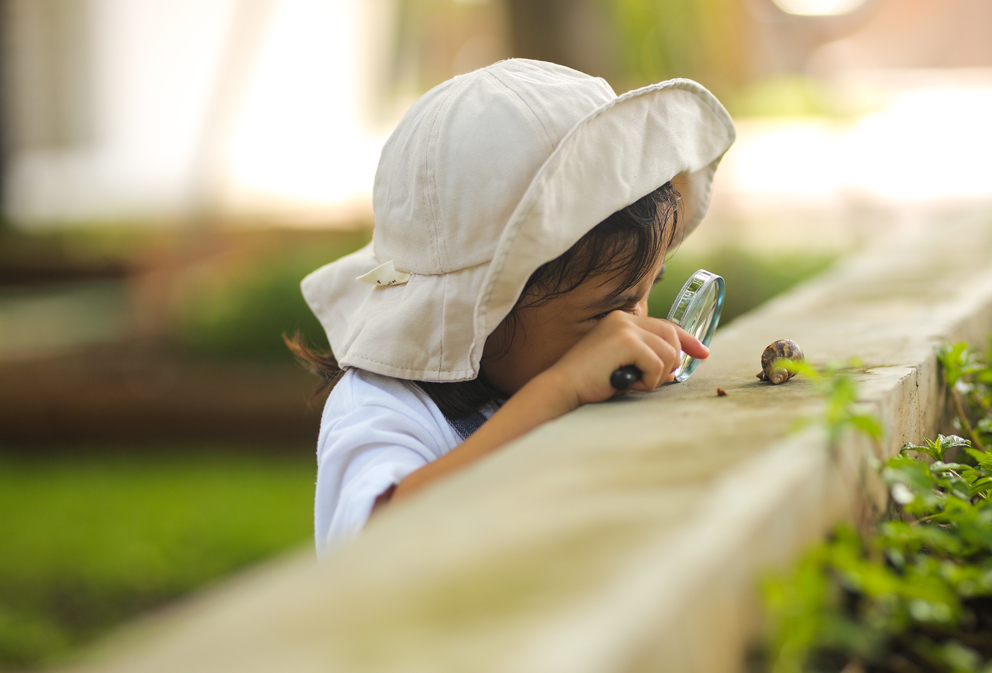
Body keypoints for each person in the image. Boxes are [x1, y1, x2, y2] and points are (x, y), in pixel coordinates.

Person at [290, 59, 736, 557]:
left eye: (643, 293)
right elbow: (376, 541)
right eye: (604, 313)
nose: (628, 331)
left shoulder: (538, 371)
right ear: (477, 316)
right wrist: (558, 390)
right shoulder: (384, 407)